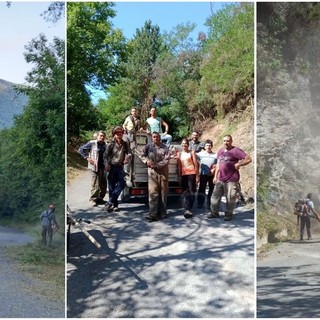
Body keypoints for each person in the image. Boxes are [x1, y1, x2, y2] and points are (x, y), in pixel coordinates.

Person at [209, 134, 252, 221]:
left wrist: (239, 164)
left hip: (232, 179)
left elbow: (248, 159)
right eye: (224, 141)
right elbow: (218, 164)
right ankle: (214, 213)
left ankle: (228, 214)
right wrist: (215, 176)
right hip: (220, 178)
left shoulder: (236, 151)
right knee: (214, 196)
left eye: (228, 141)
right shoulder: (220, 151)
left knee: (231, 198)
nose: (226, 142)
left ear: (231, 141)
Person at [141, 132, 170, 222]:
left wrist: (156, 165)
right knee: (153, 192)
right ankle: (153, 214)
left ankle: (162, 212)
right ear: (152, 138)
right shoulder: (148, 147)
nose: (155, 138)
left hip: (163, 172)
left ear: (159, 138)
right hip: (152, 173)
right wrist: (146, 161)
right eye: (154, 137)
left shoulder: (165, 147)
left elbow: (167, 159)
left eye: (157, 137)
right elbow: (142, 155)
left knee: (163, 193)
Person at [104, 126, 132, 212]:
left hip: (120, 167)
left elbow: (129, 153)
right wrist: (106, 164)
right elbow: (105, 155)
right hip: (111, 166)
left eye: (120, 133)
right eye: (117, 134)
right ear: (114, 135)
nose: (119, 135)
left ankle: (110, 201)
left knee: (122, 184)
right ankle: (114, 205)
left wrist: (127, 157)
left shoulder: (125, 144)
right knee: (111, 186)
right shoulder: (111, 144)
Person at [79, 131, 108, 206]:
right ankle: (93, 199)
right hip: (95, 166)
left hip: (103, 167)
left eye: (103, 136)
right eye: (101, 136)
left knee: (104, 184)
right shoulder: (92, 143)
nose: (102, 137)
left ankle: (100, 198)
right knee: (96, 183)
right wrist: (87, 158)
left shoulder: (106, 145)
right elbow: (81, 149)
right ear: (97, 136)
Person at [177, 138, 199, 218]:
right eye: (182, 144)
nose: (184, 145)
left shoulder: (192, 152)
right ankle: (187, 209)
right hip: (184, 175)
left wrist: (197, 176)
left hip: (192, 174)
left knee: (191, 191)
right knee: (185, 192)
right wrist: (179, 176)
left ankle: (189, 208)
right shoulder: (179, 154)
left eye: (185, 143)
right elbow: (179, 166)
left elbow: (196, 164)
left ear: (188, 144)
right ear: (181, 145)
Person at [196, 139, 217, 210]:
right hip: (203, 174)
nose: (208, 147)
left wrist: (214, 169)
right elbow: (192, 156)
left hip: (212, 175)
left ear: (212, 146)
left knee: (212, 189)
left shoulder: (215, 155)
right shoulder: (200, 154)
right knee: (202, 189)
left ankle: (209, 204)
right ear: (204, 146)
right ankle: (200, 203)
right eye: (207, 145)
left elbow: (218, 164)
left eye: (210, 145)